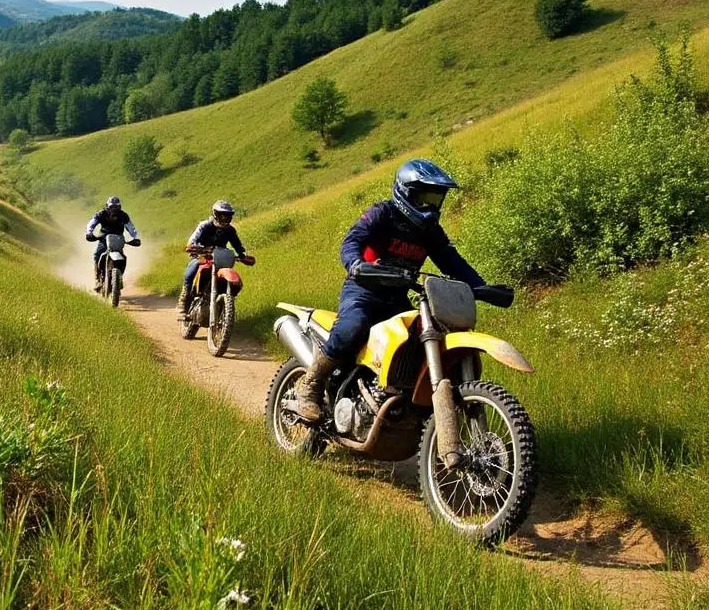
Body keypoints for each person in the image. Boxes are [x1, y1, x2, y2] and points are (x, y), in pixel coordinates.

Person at [293, 159, 485, 423]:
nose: (430, 207)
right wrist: (356, 264)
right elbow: (352, 241)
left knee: (422, 338)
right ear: (406, 192)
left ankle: (406, 403)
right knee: (353, 326)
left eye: (435, 199)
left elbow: (453, 262)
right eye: (424, 198)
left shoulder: (430, 232)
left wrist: (481, 286)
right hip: (363, 290)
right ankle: (311, 384)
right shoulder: (382, 213)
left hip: (397, 299)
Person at [178, 200, 249, 318]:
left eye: (228, 216)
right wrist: (193, 247)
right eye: (223, 215)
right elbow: (192, 240)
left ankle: (224, 305)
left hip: (219, 259)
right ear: (215, 214)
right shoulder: (205, 225)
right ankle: (184, 299)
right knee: (193, 268)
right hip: (201, 256)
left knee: (230, 276)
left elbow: (237, 245)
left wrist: (242, 254)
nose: (226, 218)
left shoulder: (230, 230)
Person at [85, 196, 140, 290]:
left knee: (122, 257)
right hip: (103, 238)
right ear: (107, 206)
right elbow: (91, 223)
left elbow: (131, 228)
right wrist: (89, 233)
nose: (114, 209)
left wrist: (136, 238)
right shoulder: (101, 214)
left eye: (116, 207)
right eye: (111, 207)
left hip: (118, 239)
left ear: (119, 207)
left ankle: (119, 278)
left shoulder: (123, 216)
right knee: (96, 255)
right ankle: (98, 280)